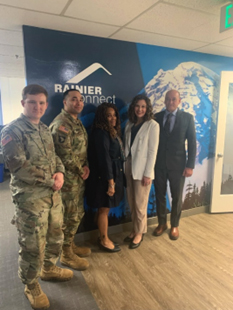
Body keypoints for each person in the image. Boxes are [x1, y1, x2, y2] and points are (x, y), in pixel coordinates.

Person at [1, 84, 73, 310]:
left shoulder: (43, 128)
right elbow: (18, 167)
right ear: (23, 103)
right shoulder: (11, 131)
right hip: (30, 201)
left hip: (52, 198)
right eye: (32, 102)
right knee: (32, 245)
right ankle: (30, 285)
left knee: (55, 236)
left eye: (42, 103)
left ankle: (49, 269)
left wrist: (60, 171)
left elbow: (55, 157)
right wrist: (52, 180)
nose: (38, 107)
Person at [50, 89, 90, 271]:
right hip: (68, 179)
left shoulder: (76, 122)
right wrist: (81, 170)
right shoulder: (61, 124)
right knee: (69, 216)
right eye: (74, 99)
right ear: (65, 102)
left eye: (81, 99)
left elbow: (81, 149)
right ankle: (66, 254)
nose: (79, 102)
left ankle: (70, 245)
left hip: (78, 176)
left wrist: (86, 165)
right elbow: (64, 154)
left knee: (76, 214)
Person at [153, 89, 196, 240]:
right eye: (168, 99)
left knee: (177, 196)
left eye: (173, 99)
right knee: (159, 195)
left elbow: (191, 142)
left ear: (179, 101)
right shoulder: (156, 117)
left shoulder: (187, 118)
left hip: (178, 166)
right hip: (159, 164)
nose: (170, 102)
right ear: (164, 101)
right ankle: (162, 223)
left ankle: (175, 225)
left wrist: (190, 165)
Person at [86, 102, 125, 253]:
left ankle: (102, 236)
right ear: (102, 117)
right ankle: (104, 240)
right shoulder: (101, 133)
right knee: (104, 209)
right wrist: (110, 182)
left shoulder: (110, 131)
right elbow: (104, 159)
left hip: (110, 175)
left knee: (104, 208)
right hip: (104, 177)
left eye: (114, 115)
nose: (113, 118)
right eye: (109, 115)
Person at [124, 94, 160, 249]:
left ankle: (140, 233)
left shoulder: (152, 125)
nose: (140, 109)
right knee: (131, 201)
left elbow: (152, 151)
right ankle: (134, 229)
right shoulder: (129, 124)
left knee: (140, 203)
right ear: (133, 107)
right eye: (137, 106)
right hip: (129, 166)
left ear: (147, 108)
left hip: (142, 169)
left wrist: (148, 173)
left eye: (143, 106)